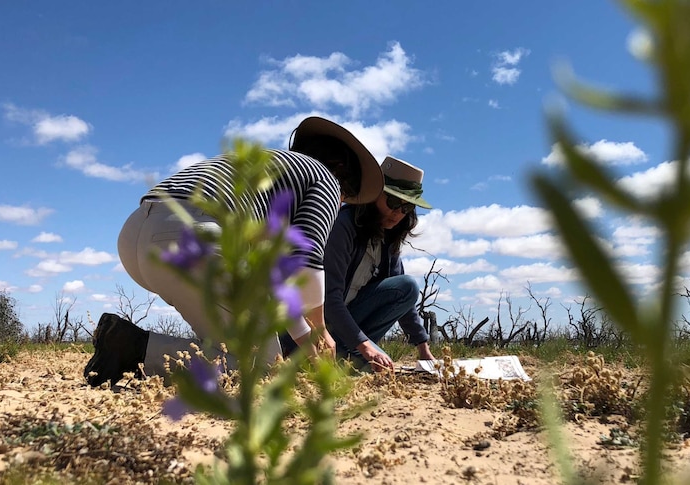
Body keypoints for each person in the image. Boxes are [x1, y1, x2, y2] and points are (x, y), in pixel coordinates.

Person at [84, 117, 384, 387]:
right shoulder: (326, 178)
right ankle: (131, 347)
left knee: (238, 348)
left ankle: (130, 348)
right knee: (257, 367)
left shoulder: (274, 174)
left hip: (138, 233)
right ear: (343, 175)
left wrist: (304, 337)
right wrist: (319, 329)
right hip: (194, 234)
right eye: (346, 197)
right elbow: (305, 261)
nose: (340, 203)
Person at [322, 156, 435, 372]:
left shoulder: (388, 237)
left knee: (407, 287)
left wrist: (423, 347)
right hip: (323, 326)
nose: (398, 213)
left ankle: (349, 356)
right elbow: (330, 298)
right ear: (374, 194)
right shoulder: (343, 226)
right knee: (373, 362)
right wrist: (366, 347)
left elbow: (402, 296)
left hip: (351, 326)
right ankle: (348, 355)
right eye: (393, 202)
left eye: (407, 207)